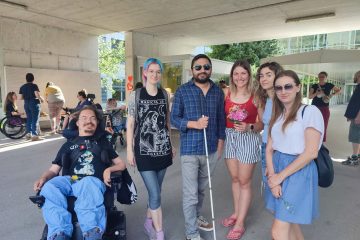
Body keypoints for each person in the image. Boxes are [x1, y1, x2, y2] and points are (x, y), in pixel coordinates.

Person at [33, 105, 126, 240]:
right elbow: (54, 169)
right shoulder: (68, 145)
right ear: (77, 123)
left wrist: (108, 169)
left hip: (93, 180)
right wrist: (43, 178)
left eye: (92, 118)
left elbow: (121, 164)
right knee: (50, 186)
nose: (89, 121)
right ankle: (60, 232)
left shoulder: (103, 143)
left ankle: (91, 232)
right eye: (84, 118)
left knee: (87, 183)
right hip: (72, 179)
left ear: (97, 123)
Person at [171, 54, 226, 240]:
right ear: (192, 70)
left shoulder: (218, 92)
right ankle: (191, 233)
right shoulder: (182, 91)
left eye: (206, 67)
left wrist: (220, 143)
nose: (202, 70)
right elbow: (174, 119)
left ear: (210, 69)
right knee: (191, 194)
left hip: (211, 148)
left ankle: (196, 216)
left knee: (202, 190)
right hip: (190, 150)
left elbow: (221, 119)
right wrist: (194, 124)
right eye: (198, 67)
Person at [266, 70, 324, 240]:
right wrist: (272, 176)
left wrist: (279, 177)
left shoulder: (310, 112)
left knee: (278, 230)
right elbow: (269, 148)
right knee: (290, 220)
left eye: (288, 86)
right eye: (278, 88)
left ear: (298, 87)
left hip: (298, 171)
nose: (283, 91)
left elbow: (311, 153)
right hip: (277, 167)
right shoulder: (278, 114)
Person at [127, 58, 174, 240]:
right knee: (155, 193)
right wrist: (130, 151)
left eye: (158, 71)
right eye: (151, 71)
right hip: (144, 151)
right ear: (145, 73)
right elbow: (130, 124)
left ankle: (148, 222)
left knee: (157, 191)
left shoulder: (164, 94)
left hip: (163, 151)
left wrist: (170, 144)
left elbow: (167, 122)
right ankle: (159, 233)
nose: (155, 75)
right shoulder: (136, 95)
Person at [221, 60, 264, 240]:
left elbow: (262, 123)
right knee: (235, 178)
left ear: (249, 75)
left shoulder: (256, 96)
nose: (239, 77)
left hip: (248, 138)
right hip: (230, 136)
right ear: (232, 76)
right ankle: (237, 212)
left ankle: (240, 223)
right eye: (236, 74)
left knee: (245, 181)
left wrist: (249, 127)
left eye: (243, 73)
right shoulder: (227, 93)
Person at [255, 62, 283, 200]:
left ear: (277, 76)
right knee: (269, 183)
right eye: (261, 75)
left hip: (278, 148)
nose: (263, 79)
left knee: (278, 185)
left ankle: (283, 219)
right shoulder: (265, 98)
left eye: (268, 75)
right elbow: (264, 122)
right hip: (266, 145)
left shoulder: (283, 98)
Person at [309, 71, 341, 142]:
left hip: (324, 108)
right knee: (313, 123)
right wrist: (316, 93)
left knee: (324, 123)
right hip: (314, 108)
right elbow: (310, 96)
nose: (321, 78)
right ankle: (313, 138)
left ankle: (322, 139)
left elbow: (339, 91)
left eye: (323, 76)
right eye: (320, 76)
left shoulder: (329, 85)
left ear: (326, 77)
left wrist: (331, 95)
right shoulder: (314, 86)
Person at [18, 73, 44, 141]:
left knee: (29, 118)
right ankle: (34, 135)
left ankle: (28, 134)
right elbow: (36, 94)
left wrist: (27, 97)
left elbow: (20, 98)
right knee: (35, 119)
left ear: (26, 79)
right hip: (34, 103)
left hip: (26, 104)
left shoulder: (22, 87)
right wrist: (41, 99)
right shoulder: (34, 85)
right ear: (33, 79)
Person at [342, 71, 360, 166]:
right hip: (355, 115)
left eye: (356, 76)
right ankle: (358, 156)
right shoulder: (358, 86)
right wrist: (350, 115)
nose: (355, 78)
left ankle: (354, 158)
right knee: (357, 136)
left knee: (355, 136)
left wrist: (358, 116)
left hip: (358, 117)